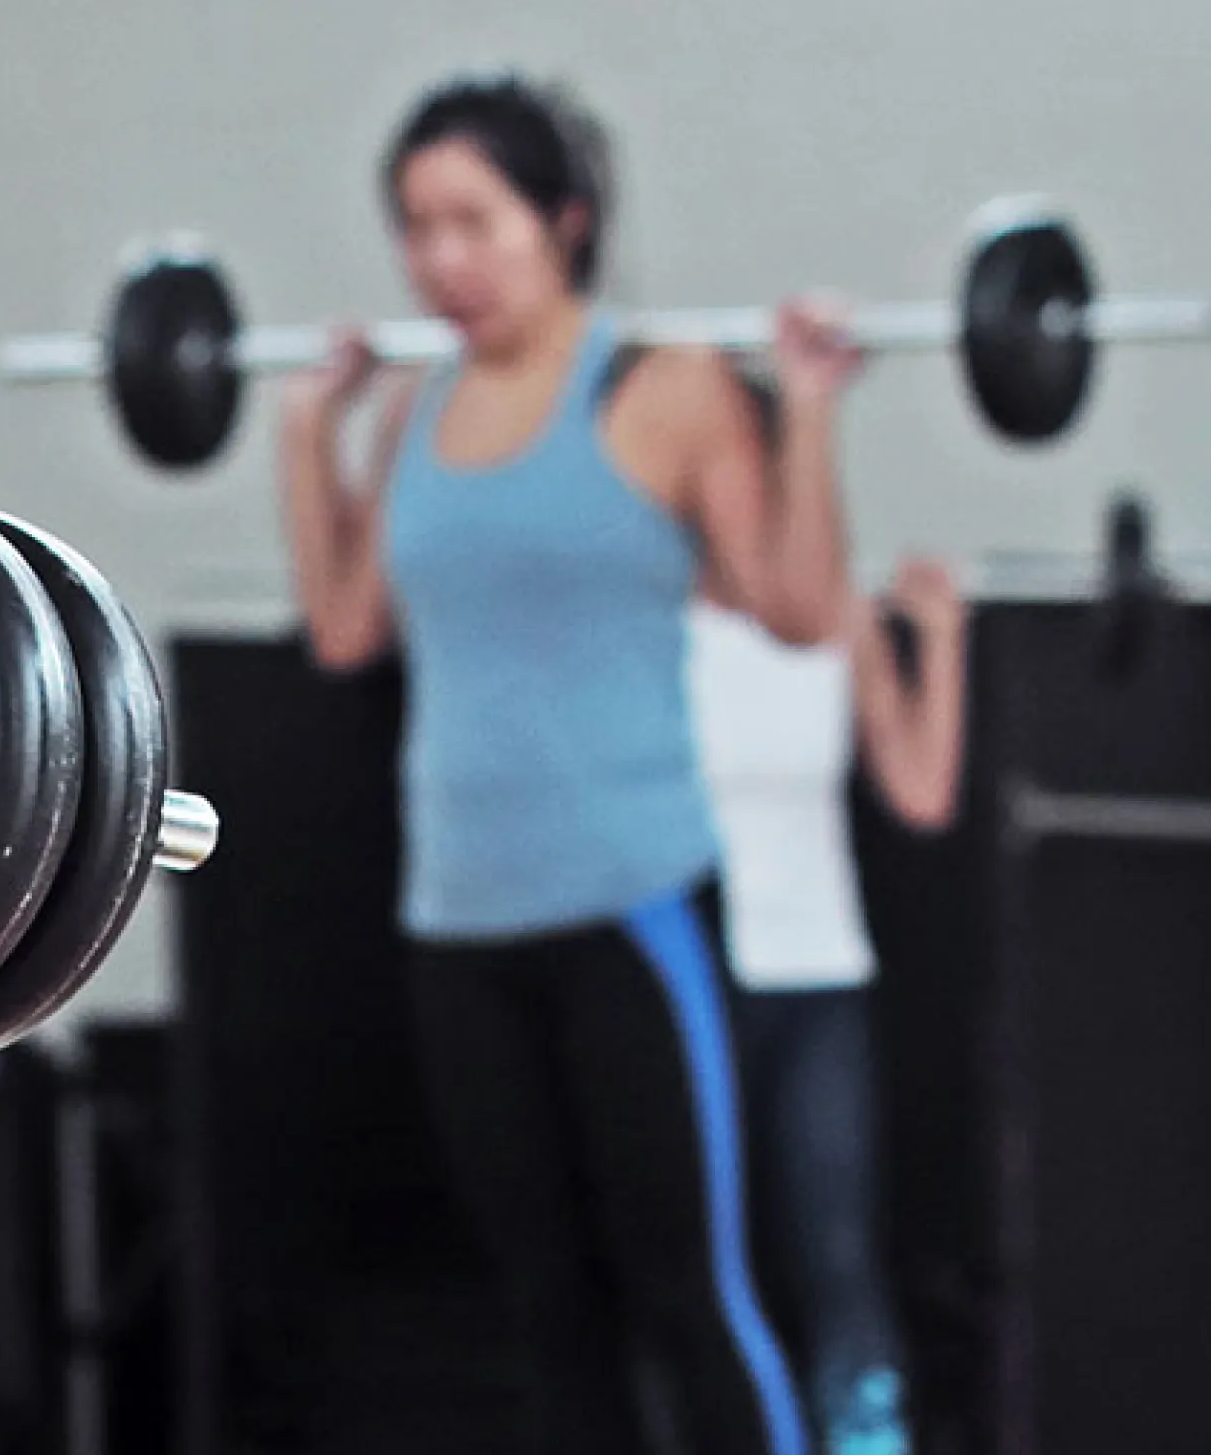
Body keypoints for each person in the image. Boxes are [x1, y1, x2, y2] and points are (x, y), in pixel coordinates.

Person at [278, 73, 850, 1455]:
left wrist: (816, 411)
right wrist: (307, 434)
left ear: (566, 221)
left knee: (690, 1294)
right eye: (418, 227)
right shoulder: (415, 405)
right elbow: (347, 628)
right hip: (461, 923)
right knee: (547, 1312)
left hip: (632, 907)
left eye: (475, 221)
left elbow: (799, 607)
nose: (440, 261)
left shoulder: (668, 389)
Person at [688, 388, 970, 1455]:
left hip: (817, 979)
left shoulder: (838, 620)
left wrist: (937, 640)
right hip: (690, 978)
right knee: (706, 1260)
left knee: (837, 1255)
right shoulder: (645, 622)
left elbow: (921, 791)